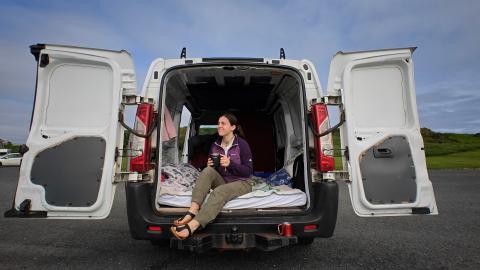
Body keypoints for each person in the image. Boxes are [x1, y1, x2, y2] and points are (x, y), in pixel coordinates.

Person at [170, 113, 253, 240]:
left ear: (233, 127)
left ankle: (192, 226)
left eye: (223, 123)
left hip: (242, 182)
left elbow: (248, 171)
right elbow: (214, 169)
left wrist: (231, 164)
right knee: (207, 171)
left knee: (219, 191)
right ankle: (192, 211)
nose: (219, 126)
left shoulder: (242, 144)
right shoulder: (215, 145)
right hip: (224, 181)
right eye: (218, 123)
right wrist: (210, 165)